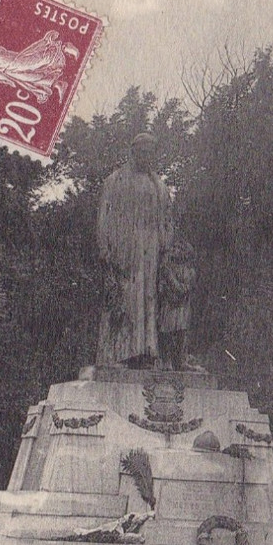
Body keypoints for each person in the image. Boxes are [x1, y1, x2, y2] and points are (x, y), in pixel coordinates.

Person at [95, 133, 174, 367]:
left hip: (150, 253)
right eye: (142, 151)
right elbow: (104, 216)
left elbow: (167, 219)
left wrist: (166, 247)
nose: (146, 156)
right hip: (124, 251)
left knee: (149, 302)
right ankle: (117, 355)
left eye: (150, 152)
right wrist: (105, 248)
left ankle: (146, 353)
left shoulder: (158, 185)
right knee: (124, 301)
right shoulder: (115, 180)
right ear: (133, 152)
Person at [158, 239, 197, 370]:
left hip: (182, 307)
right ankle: (166, 360)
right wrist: (168, 289)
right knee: (167, 333)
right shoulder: (167, 268)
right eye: (174, 248)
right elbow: (162, 287)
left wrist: (171, 281)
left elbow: (184, 289)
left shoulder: (190, 271)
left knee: (181, 334)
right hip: (169, 306)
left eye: (178, 249)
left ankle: (180, 360)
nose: (174, 251)